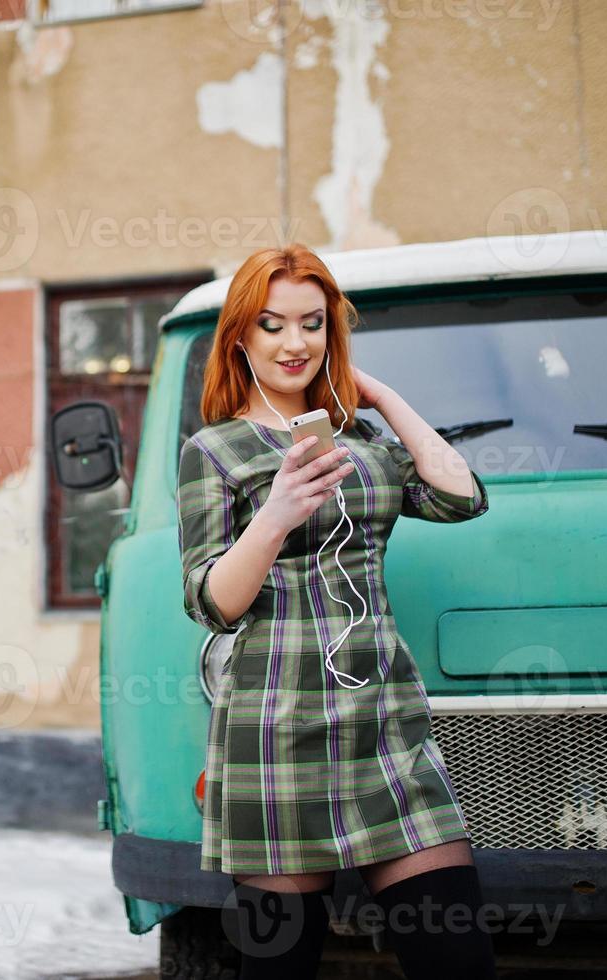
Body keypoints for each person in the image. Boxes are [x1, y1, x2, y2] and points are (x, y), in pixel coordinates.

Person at [176, 244, 499, 979]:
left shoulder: (360, 443)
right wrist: (278, 512)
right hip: (276, 730)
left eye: (312, 324)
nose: (294, 343)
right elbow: (211, 603)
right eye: (272, 324)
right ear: (240, 338)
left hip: (383, 721)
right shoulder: (215, 449)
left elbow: (459, 497)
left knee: (457, 959)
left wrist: (380, 398)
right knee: (280, 966)